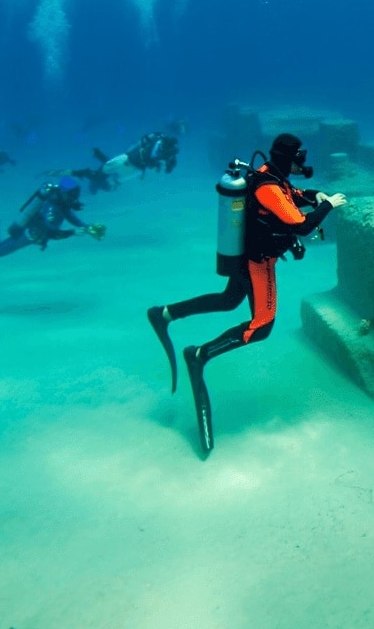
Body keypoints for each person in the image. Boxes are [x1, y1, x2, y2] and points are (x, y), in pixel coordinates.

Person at [147, 133, 347, 457]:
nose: (301, 163)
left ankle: (165, 313)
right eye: (298, 157)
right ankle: (199, 355)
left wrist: (313, 194)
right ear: (287, 158)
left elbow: (293, 195)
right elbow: (299, 225)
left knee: (228, 300)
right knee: (263, 324)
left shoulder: (270, 175)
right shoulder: (268, 186)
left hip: (244, 255)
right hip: (257, 262)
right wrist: (327, 205)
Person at [79, 130, 182, 193]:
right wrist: (160, 163)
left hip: (134, 164)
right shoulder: (157, 143)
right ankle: (97, 156)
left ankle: (97, 156)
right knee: (108, 171)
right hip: (130, 161)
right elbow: (150, 157)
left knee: (112, 177)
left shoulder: (165, 150)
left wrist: (168, 163)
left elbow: (161, 164)